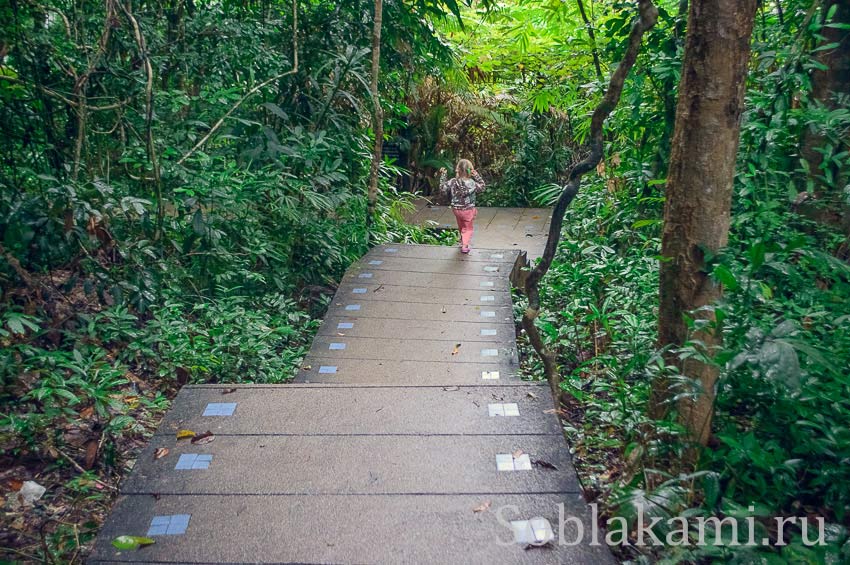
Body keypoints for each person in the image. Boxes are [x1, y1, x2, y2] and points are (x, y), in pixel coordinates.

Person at [438, 159, 486, 254]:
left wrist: (443, 176)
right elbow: (482, 187)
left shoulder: (452, 181)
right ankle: (465, 245)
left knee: (461, 225)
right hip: (468, 209)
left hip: (456, 209)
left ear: (458, 170)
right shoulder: (472, 182)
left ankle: (462, 240)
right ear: (470, 170)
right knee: (468, 228)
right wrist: (477, 176)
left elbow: (442, 189)